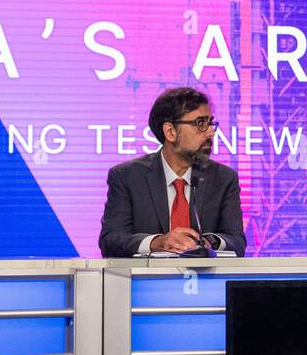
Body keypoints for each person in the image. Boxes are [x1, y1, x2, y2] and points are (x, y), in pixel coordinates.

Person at [99, 87, 246, 256]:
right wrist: (157, 242)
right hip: (148, 280)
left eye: (210, 123)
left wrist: (207, 242)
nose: (211, 132)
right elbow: (111, 241)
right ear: (170, 132)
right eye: (200, 124)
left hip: (206, 280)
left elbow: (237, 241)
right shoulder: (127, 177)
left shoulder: (223, 178)